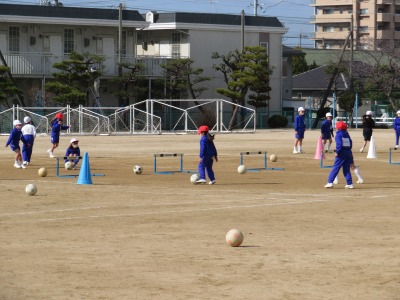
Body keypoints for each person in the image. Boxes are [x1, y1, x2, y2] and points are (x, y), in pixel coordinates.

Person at [324, 121, 354, 189]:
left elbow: (339, 144)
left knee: (336, 168)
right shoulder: (347, 134)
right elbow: (351, 143)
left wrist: (337, 152)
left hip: (341, 153)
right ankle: (349, 183)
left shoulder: (338, 135)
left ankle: (330, 182)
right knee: (346, 169)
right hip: (348, 152)